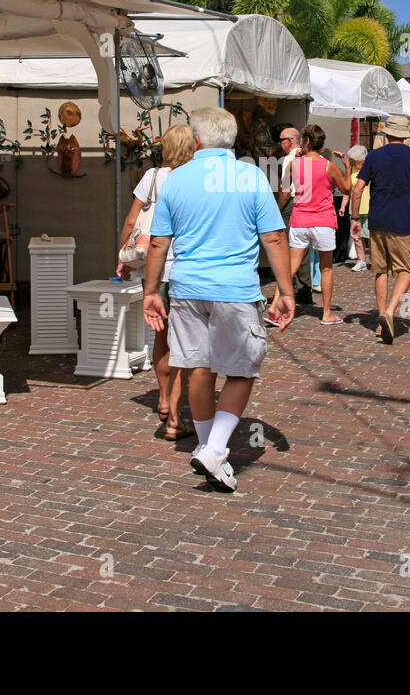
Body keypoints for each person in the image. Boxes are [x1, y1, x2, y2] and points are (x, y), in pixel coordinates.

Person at [143, 108, 295, 493]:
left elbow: (158, 242)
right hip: (234, 289)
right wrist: (285, 290)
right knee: (242, 369)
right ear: (232, 140)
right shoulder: (250, 176)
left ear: (196, 141)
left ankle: (207, 447)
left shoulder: (176, 179)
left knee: (199, 367)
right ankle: (214, 448)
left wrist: (151, 291)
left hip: (187, 288)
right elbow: (274, 237)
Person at [117, 125, 196, 441]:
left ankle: (164, 398)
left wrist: (123, 257)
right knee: (187, 341)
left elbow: (132, 220)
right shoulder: (195, 179)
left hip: (155, 267)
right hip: (186, 267)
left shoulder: (151, 177)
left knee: (161, 337)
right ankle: (176, 413)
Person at [351, 114, 410, 345]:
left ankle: (381, 320)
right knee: (407, 268)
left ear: (387, 134)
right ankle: (389, 312)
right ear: (406, 136)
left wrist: (355, 218)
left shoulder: (374, 156)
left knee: (381, 270)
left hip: (378, 220)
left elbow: (358, 189)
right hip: (404, 221)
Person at [280, 124, 351, 325]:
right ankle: (326, 313)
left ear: (307, 141)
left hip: (300, 219)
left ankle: (277, 306)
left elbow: (286, 188)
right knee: (326, 268)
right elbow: (347, 189)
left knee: (290, 267)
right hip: (323, 221)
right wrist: (347, 166)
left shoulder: (294, 164)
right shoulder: (329, 166)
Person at [274, 123, 314, 305]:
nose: (279, 143)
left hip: (292, 204)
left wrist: (277, 209)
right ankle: (304, 288)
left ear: (289, 141)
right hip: (308, 202)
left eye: (281, 140)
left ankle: (291, 289)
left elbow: (285, 191)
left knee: (288, 248)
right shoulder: (309, 156)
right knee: (302, 248)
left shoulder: (290, 159)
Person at [344, 145, 372, 272]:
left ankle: (377, 260)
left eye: (357, 160)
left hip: (369, 207)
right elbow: (348, 189)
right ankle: (361, 261)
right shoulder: (352, 170)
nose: (354, 162)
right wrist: (343, 205)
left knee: (372, 237)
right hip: (355, 209)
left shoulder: (370, 169)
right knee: (357, 237)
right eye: (353, 160)